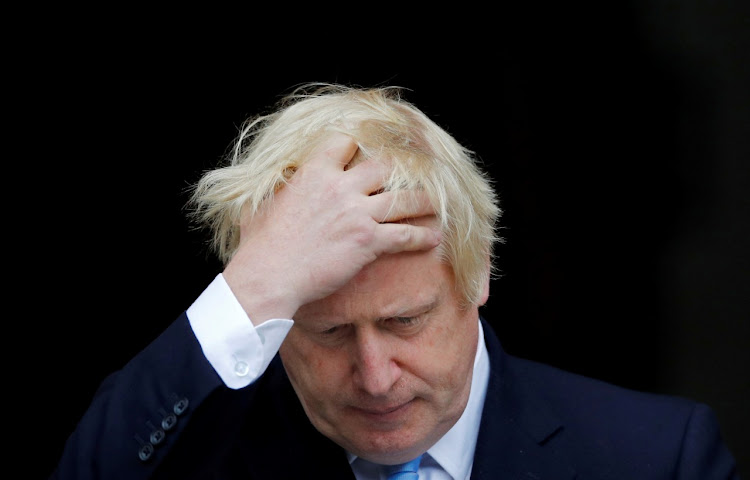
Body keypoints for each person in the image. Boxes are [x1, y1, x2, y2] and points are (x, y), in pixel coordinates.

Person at [51, 84, 741, 479]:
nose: (376, 377)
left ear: (479, 280)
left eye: (405, 321)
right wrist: (256, 282)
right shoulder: (215, 457)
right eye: (327, 331)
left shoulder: (657, 457)